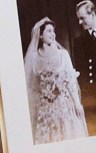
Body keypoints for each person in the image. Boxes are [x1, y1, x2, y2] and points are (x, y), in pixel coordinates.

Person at [24, 16, 87, 145]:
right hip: (45, 109)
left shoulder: (63, 55)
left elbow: (70, 81)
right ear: (40, 35)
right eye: (48, 31)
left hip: (64, 106)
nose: (53, 34)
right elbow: (31, 86)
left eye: (53, 31)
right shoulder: (34, 58)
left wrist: (77, 104)